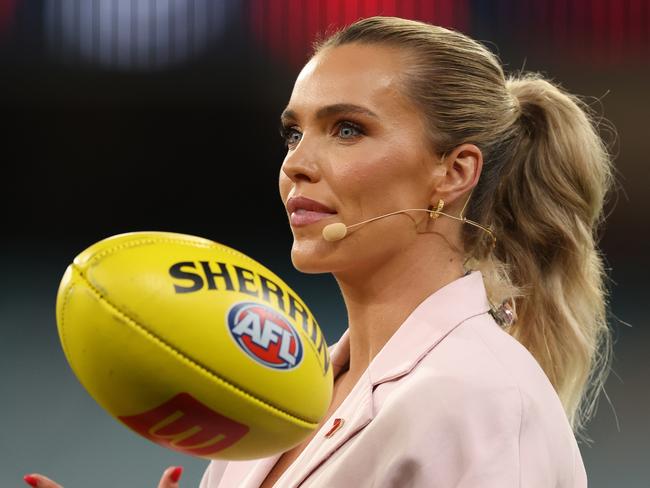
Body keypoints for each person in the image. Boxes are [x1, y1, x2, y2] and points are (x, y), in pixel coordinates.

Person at [25, 15, 614, 488]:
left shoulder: (480, 396)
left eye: (348, 129)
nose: (295, 164)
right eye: (293, 132)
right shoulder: (275, 396)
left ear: (453, 172)